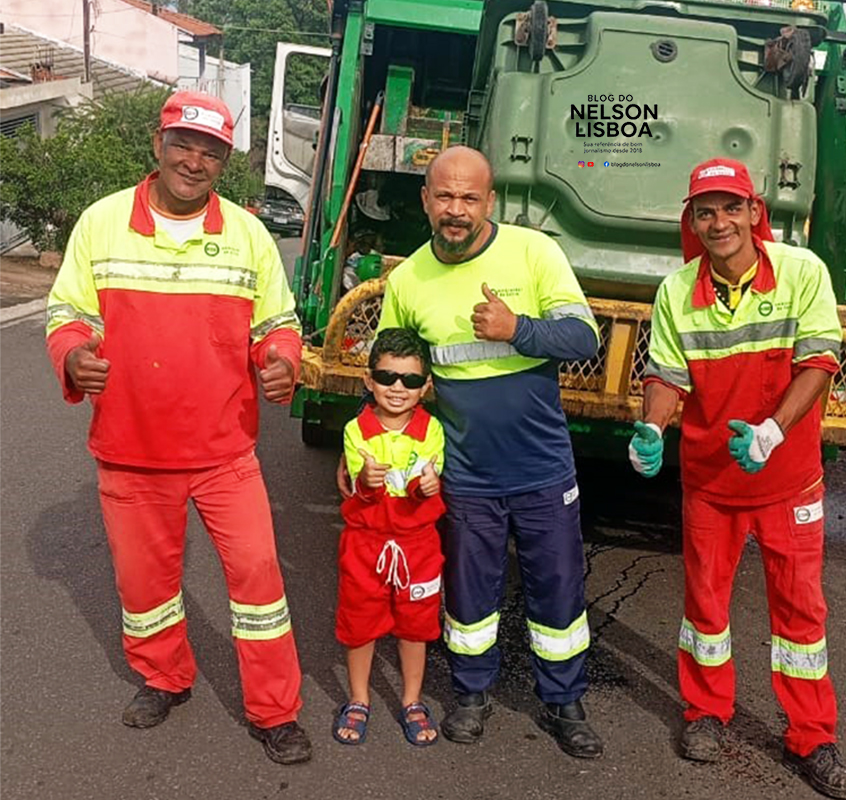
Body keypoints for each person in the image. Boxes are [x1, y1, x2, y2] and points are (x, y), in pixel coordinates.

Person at [45, 91, 311, 765]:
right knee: (144, 587)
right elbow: (67, 313)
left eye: (211, 151)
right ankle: (164, 678)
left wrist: (281, 361)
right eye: (183, 144)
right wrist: (74, 356)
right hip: (130, 452)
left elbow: (276, 324)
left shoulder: (249, 235)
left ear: (226, 161)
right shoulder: (102, 223)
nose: (195, 161)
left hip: (225, 452)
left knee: (258, 583)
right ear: (158, 145)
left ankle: (275, 711)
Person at [341, 145, 605, 758]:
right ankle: (470, 694)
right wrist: (358, 456)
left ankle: (564, 702)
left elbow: (582, 335)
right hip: (464, 473)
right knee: (469, 595)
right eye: (444, 197)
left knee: (559, 592)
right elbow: (390, 384)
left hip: (542, 466)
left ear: (490, 201)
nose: (456, 210)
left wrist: (520, 329)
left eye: (469, 198)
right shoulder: (407, 281)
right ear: (425, 201)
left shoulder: (533, 252)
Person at [630, 157, 846, 799]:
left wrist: (773, 430)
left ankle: (812, 738)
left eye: (732, 207)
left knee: (800, 616)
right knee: (705, 608)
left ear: (755, 212)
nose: (720, 221)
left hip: (789, 479)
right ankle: (706, 714)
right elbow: (667, 377)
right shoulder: (677, 291)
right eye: (706, 211)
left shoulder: (801, 271)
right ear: (692, 221)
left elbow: (819, 359)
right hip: (710, 482)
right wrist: (652, 428)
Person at [333, 328, 446, 747]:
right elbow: (360, 492)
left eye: (412, 381)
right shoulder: (355, 430)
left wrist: (427, 487)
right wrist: (366, 480)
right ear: (368, 380)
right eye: (387, 377)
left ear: (426, 387)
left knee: (416, 625)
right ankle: (359, 698)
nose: (398, 389)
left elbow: (424, 482)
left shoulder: (433, 431)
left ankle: (412, 700)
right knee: (359, 623)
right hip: (366, 545)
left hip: (418, 546)